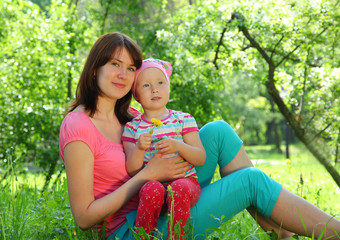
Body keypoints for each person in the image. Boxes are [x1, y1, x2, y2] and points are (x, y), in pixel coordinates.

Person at [58, 32, 340, 240]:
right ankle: (329, 232)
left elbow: (169, 146)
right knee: (249, 181)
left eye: (131, 68)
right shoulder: (79, 126)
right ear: (95, 68)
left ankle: (278, 228)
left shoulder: (132, 118)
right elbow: (84, 217)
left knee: (218, 131)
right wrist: (146, 176)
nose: (123, 74)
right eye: (114, 65)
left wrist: (168, 158)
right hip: (133, 228)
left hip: (167, 197)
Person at [121, 58, 206, 238]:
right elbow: (132, 170)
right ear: (136, 94)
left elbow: (200, 158)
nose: (155, 89)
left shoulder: (183, 119)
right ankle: (143, 236)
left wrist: (179, 146)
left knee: (179, 188)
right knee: (151, 188)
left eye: (160, 82)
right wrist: (138, 149)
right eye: (146, 85)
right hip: (151, 188)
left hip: (186, 184)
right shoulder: (132, 128)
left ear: (168, 87)